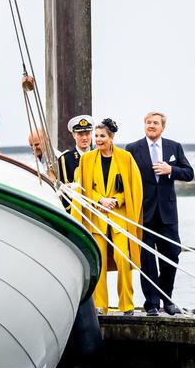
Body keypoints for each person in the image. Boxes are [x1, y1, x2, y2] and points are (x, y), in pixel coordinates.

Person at [72, 118, 143, 315]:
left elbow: (133, 188)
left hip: (120, 217)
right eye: (96, 136)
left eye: (102, 136)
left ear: (111, 138)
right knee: (99, 261)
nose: (97, 139)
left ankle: (127, 304)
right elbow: (83, 188)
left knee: (123, 258)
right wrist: (100, 200)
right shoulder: (87, 160)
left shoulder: (126, 158)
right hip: (96, 217)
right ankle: (100, 304)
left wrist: (116, 200)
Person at [126, 112, 193, 315]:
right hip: (143, 213)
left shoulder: (174, 147)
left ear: (163, 127)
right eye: (148, 122)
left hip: (168, 213)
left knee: (171, 256)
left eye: (155, 123)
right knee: (146, 260)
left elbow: (189, 173)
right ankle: (152, 304)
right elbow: (126, 178)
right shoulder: (132, 148)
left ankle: (167, 299)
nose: (151, 126)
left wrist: (170, 169)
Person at [58, 114, 94, 211]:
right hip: (75, 210)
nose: (84, 138)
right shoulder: (65, 159)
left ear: (91, 134)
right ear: (74, 135)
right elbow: (60, 188)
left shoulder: (99, 156)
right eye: (80, 134)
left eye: (87, 134)